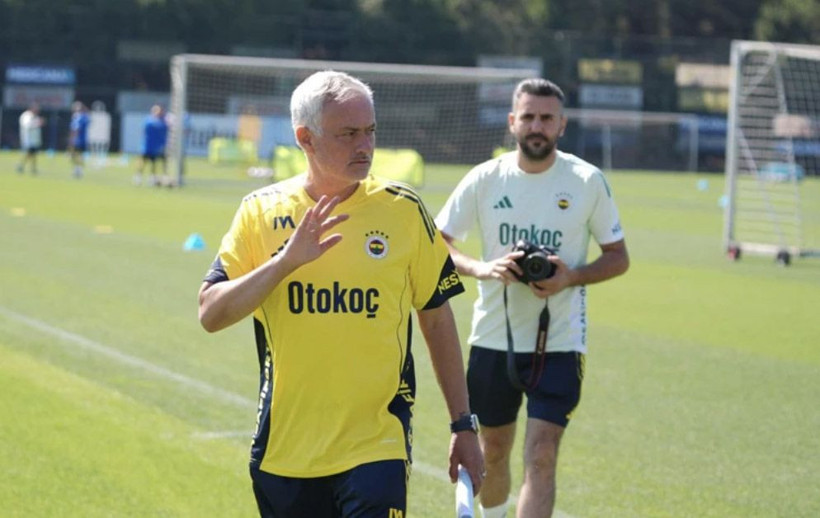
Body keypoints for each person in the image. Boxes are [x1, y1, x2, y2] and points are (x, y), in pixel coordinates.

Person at [197, 70, 484, 517]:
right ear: (305, 138)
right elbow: (210, 314)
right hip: (285, 449)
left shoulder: (403, 211)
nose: (364, 145)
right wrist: (285, 262)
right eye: (348, 133)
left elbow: (435, 316)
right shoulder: (259, 211)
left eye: (370, 131)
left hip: (376, 443)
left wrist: (463, 424)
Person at [434, 78, 630, 518]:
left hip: (560, 341)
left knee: (541, 453)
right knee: (495, 448)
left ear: (562, 125)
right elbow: (439, 243)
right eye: (528, 117)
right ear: (512, 122)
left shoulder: (585, 180)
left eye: (546, 118)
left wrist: (570, 277)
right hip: (492, 338)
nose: (536, 126)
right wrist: (484, 268)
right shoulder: (486, 178)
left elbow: (618, 257)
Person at [134, 104, 169, 186]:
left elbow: (164, 132)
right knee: (142, 161)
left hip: (156, 147)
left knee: (154, 163)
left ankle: (152, 178)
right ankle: (138, 176)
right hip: (147, 146)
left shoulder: (163, 122)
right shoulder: (149, 120)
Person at [16, 103, 44, 174]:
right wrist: (37, 124)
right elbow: (27, 126)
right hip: (28, 139)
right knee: (28, 153)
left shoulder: (36, 116)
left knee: (34, 154)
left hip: (35, 139)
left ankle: (33, 168)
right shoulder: (26, 116)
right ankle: (21, 165)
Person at [68, 101, 90, 178]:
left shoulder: (78, 117)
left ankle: (78, 170)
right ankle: (79, 169)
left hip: (77, 139)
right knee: (79, 155)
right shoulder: (84, 116)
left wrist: (71, 140)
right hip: (83, 139)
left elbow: (75, 129)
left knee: (74, 155)